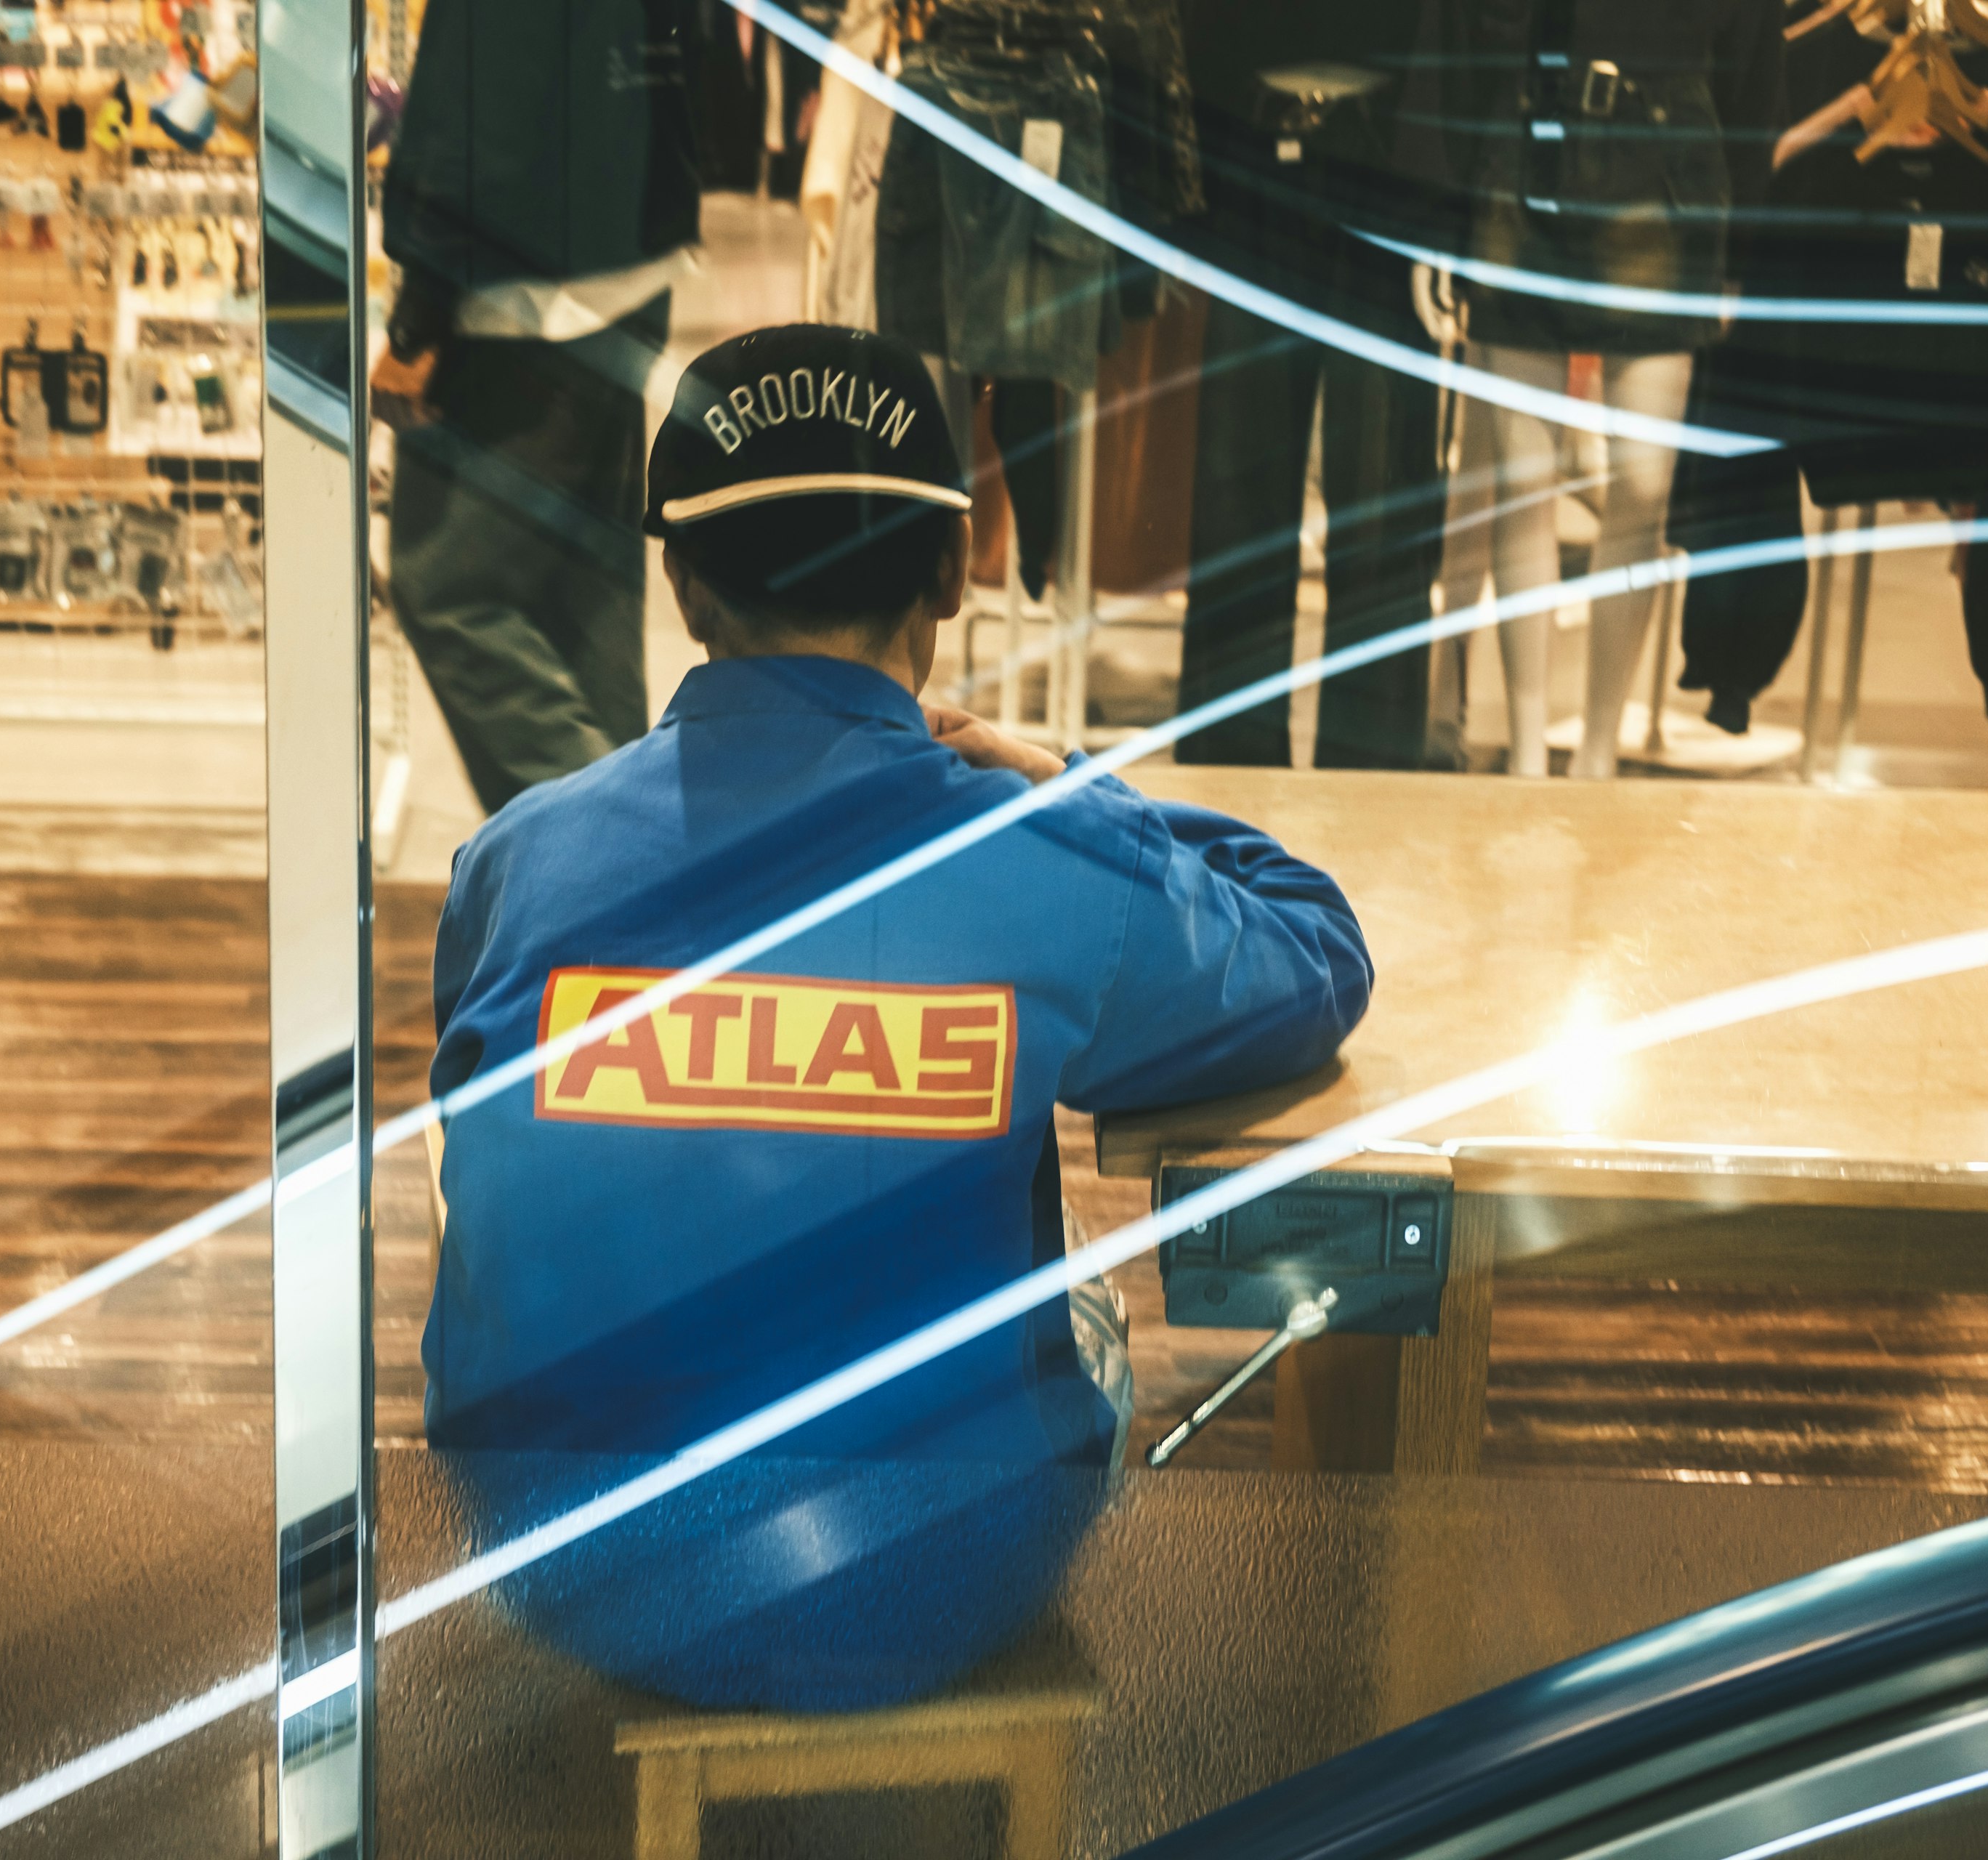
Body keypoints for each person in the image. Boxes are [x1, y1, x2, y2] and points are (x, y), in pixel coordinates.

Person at [419, 325, 1374, 1710]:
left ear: (682, 584)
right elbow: (1312, 950)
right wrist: (1063, 782)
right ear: (956, 565)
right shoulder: (1025, 858)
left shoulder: (517, 855)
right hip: (916, 1583)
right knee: (1086, 1314)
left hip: (548, 1552)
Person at [369, 0, 704, 814]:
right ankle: (627, 914)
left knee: (449, 584)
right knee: (586, 606)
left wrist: (421, 313)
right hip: (624, 251)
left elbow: (478, 106)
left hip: (524, 296)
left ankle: (616, 851)